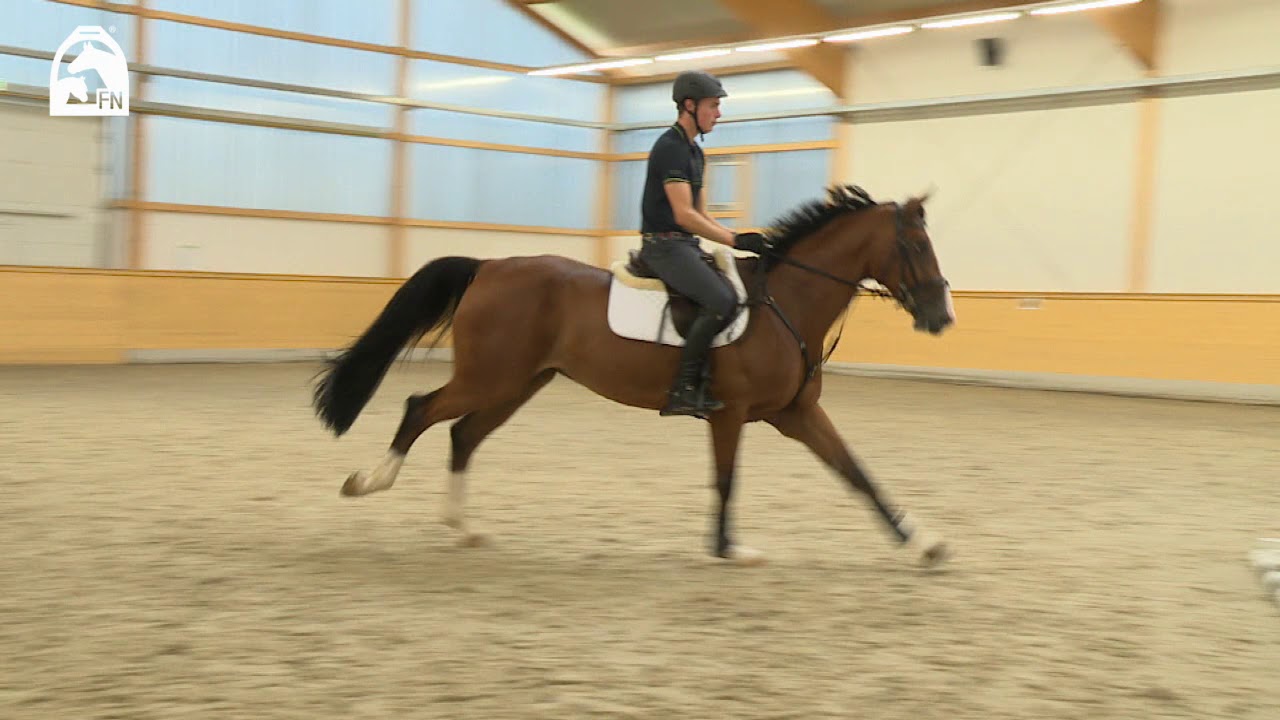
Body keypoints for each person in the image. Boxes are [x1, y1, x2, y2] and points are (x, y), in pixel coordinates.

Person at [636, 69, 770, 419]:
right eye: (714, 105)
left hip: (684, 244)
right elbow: (683, 214)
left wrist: (742, 237)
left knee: (732, 289)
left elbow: (701, 214)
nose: (719, 113)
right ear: (690, 106)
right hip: (664, 245)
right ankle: (683, 388)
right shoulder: (670, 148)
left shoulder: (695, 153)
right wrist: (735, 239)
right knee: (722, 298)